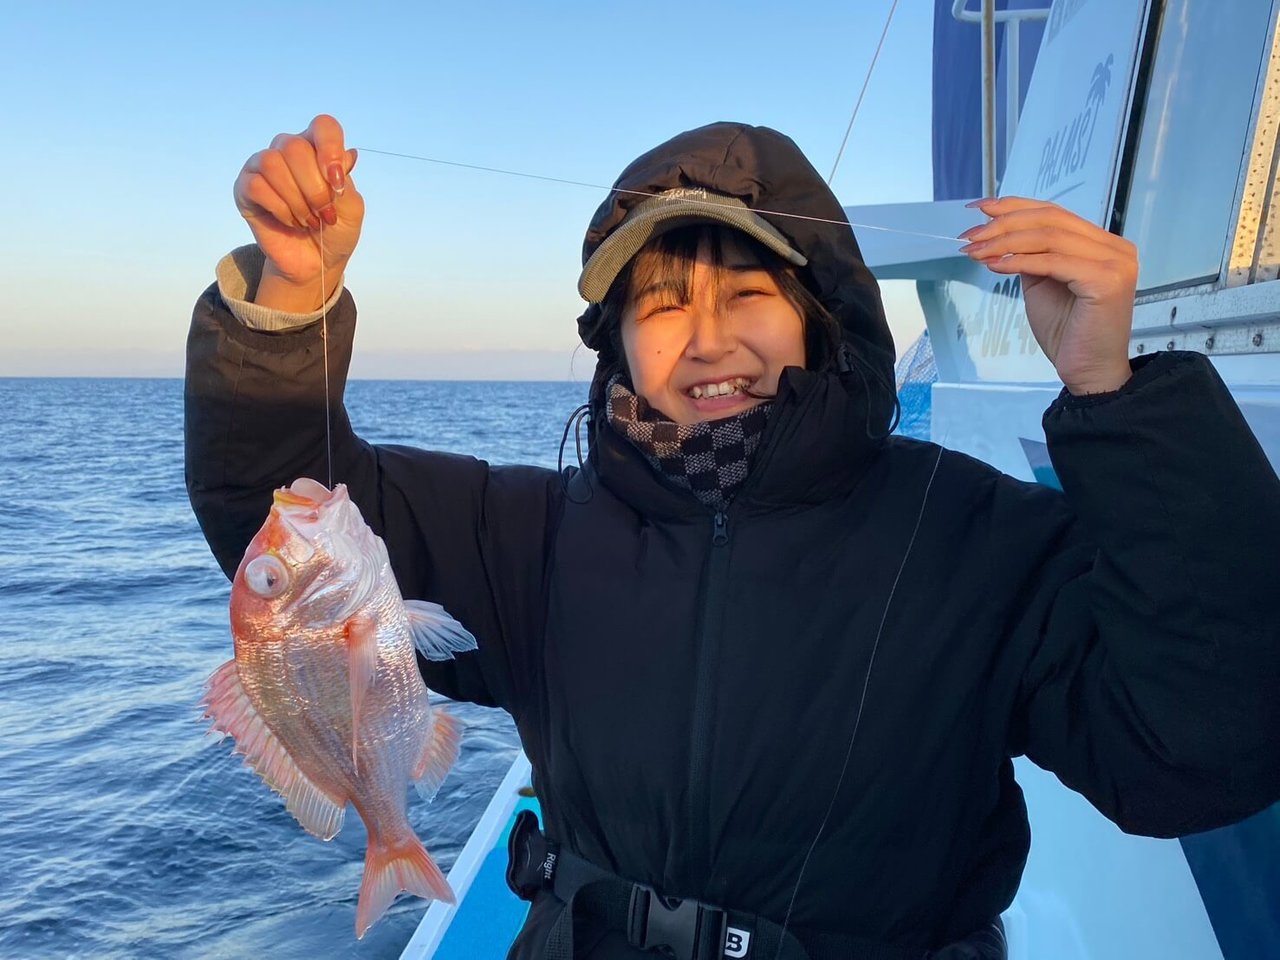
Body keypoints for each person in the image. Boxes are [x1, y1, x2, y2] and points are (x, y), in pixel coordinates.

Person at [186, 115, 1280, 960]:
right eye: (662, 307)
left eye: (749, 293)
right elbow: (272, 526)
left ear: (818, 317)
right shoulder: (530, 536)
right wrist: (290, 299)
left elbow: (1195, 755)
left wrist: (1114, 395)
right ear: (617, 343)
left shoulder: (974, 534)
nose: (707, 341)